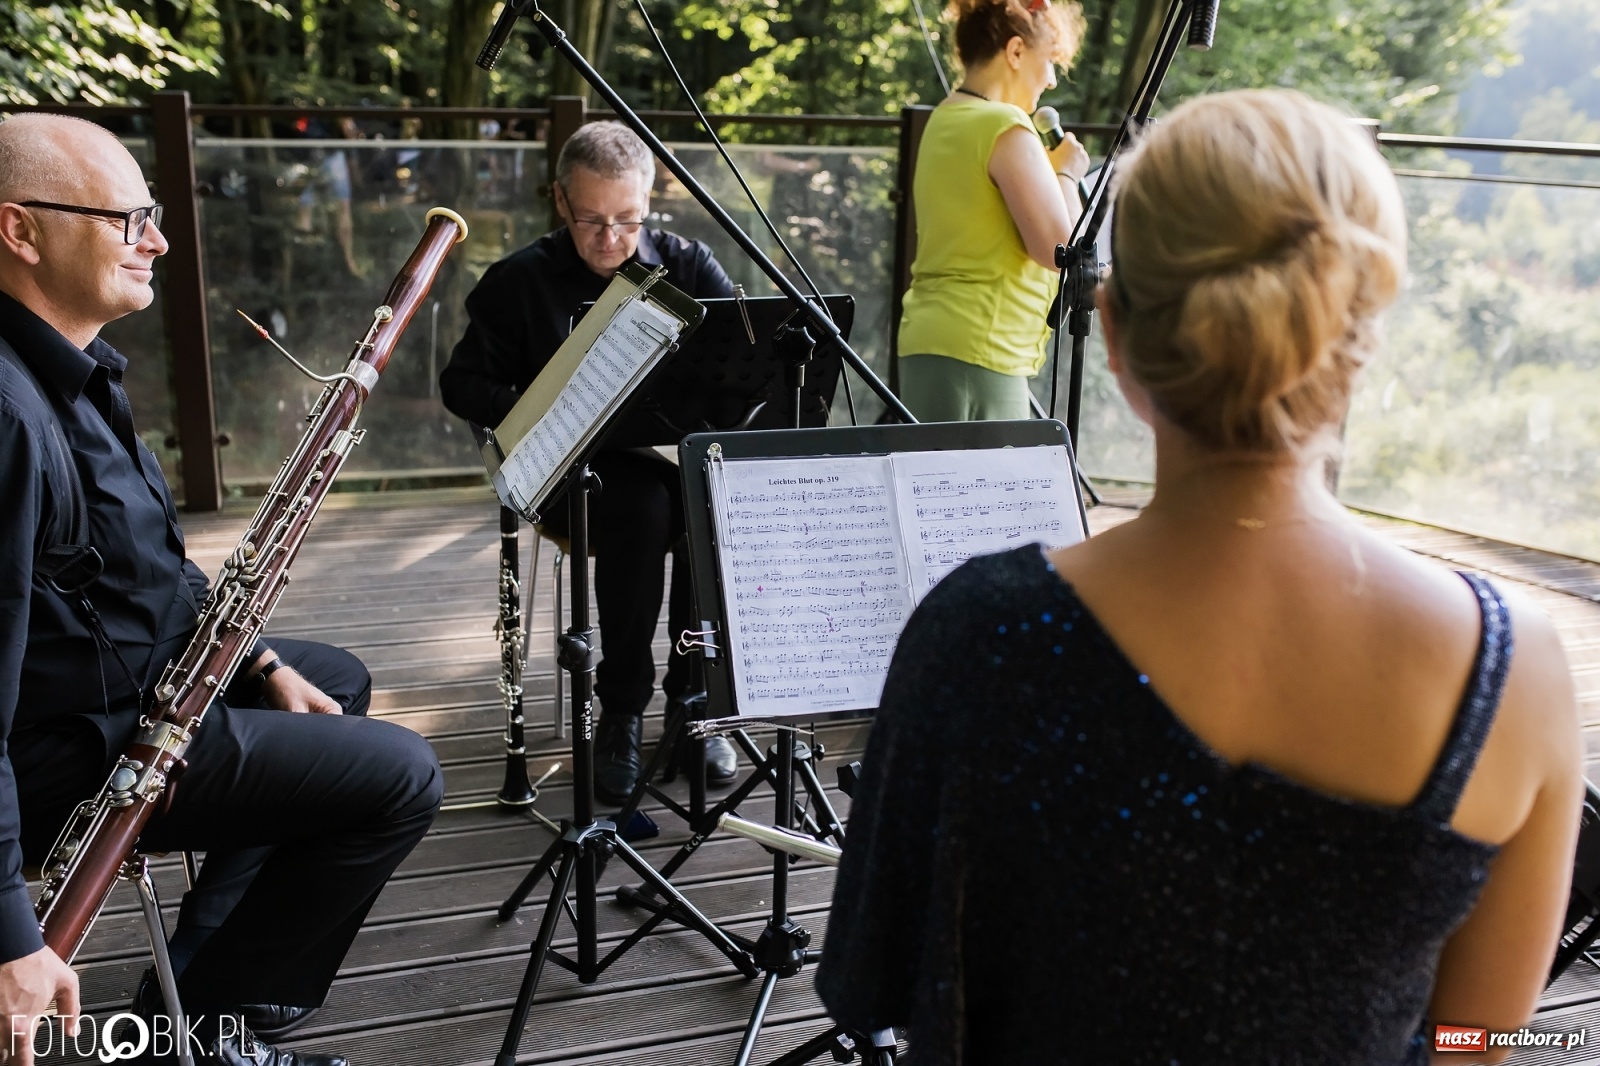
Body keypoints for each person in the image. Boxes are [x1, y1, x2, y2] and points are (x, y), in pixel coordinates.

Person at [817, 90, 1582, 1064]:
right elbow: (1479, 1041)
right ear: (1361, 337)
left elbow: (874, 984)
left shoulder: (978, 630)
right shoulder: (1518, 672)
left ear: (1117, 335)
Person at [0, 114, 443, 1066]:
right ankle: (204, 1028)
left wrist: (266, 660)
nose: (156, 240)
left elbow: (153, 571)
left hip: (121, 679)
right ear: (21, 231)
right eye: (127, 220)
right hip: (67, 747)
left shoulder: (74, 371)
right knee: (401, 776)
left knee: (337, 684)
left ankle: (193, 1001)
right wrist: (12, 936)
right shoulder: (6, 416)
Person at [440, 121, 739, 804]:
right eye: (591, 221)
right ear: (558, 202)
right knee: (645, 507)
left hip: (668, 460)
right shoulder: (518, 281)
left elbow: (740, 353)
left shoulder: (688, 265)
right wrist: (543, 399)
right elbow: (461, 385)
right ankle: (623, 711)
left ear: (650, 201)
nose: (611, 240)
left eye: (629, 221)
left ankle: (695, 704)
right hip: (571, 472)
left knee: (707, 498)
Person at [895, 0, 1090, 423]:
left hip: (930, 339)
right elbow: (1060, 249)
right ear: (1016, 52)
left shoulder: (945, 117)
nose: (1052, 80)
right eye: (1050, 61)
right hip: (980, 348)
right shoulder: (1006, 126)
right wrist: (1069, 174)